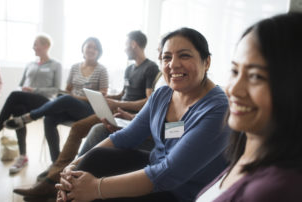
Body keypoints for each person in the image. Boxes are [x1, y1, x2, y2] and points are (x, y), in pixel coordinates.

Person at [54, 27, 231, 202]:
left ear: (206, 62)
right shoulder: (162, 95)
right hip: (154, 167)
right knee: (94, 158)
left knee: (98, 194)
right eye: (166, 57)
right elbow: (126, 136)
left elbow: (169, 174)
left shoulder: (219, 109)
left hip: (181, 192)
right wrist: (74, 164)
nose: (173, 64)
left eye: (184, 55)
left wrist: (95, 188)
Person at [13, 30, 160, 200]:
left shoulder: (150, 68)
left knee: (79, 128)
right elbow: (123, 94)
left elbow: (148, 100)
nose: (124, 48)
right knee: (70, 125)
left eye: (126, 44)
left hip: (128, 114)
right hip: (117, 111)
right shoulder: (129, 69)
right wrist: (108, 98)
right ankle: (57, 177)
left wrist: (119, 105)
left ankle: (55, 180)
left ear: (133, 44)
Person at [196, 13, 302, 202]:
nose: (234, 89)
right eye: (235, 71)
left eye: (255, 76)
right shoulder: (249, 153)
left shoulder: (275, 190)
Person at [5, 37, 108, 164]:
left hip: (89, 110)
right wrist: (70, 97)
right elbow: (67, 89)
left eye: (95, 48)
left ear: (99, 52)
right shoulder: (75, 67)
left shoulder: (102, 70)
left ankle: (30, 116)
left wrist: (75, 97)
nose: (91, 50)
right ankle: (57, 162)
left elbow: (102, 96)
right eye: (89, 46)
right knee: (49, 119)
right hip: (71, 105)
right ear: (83, 48)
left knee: (67, 99)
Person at [0, 35, 61, 174]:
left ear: (46, 46)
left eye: (36, 44)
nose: (33, 47)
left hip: (44, 102)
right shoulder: (30, 64)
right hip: (27, 101)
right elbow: (20, 85)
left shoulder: (56, 65)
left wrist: (34, 90)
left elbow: (56, 90)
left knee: (14, 95)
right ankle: (23, 156)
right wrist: (25, 90)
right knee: (18, 110)